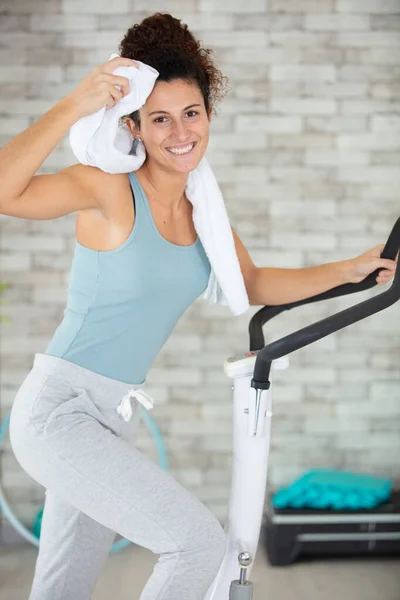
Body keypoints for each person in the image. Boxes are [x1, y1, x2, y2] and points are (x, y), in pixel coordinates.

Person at [0, 12, 397, 600]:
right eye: (159, 118)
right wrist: (73, 103)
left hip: (112, 421)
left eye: (192, 113)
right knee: (196, 542)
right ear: (133, 126)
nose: (179, 132)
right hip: (58, 413)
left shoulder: (200, 212)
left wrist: (352, 269)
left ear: (209, 116)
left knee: (63, 587)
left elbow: (253, 281)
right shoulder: (109, 188)